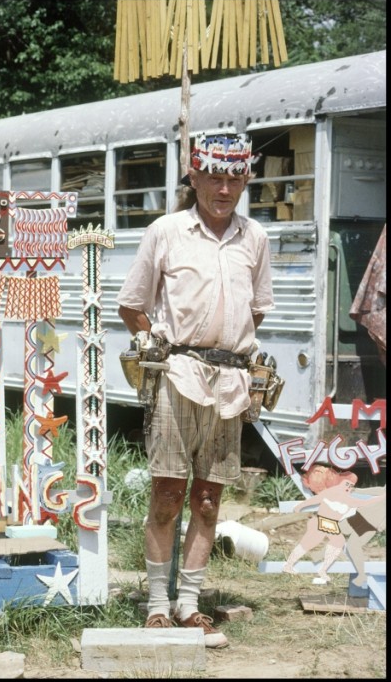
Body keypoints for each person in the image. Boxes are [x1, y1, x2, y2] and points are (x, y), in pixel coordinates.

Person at [117, 133, 275, 648]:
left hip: (230, 382)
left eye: (235, 178)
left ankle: (189, 604)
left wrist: (233, 351)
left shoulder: (255, 238)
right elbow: (132, 302)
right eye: (215, 176)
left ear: (246, 179)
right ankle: (157, 604)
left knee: (208, 501)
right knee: (167, 493)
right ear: (195, 177)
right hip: (178, 375)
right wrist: (152, 338)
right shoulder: (167, 231)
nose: (224, 188)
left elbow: (256, 310)